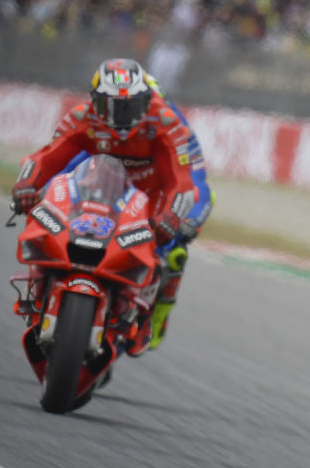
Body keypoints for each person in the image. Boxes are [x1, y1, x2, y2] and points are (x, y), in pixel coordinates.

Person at [11, 58, 213, 353]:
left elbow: (184, 182)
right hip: (104, 178)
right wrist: (26, 186)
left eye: (132, 105)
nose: (123, 116)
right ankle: (42, 280)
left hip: (152, 191)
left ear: (149, 99)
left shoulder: (168, 122)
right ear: (96, 102)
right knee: (50, 209)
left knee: (170, 245)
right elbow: (48, 157)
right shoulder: (85, 116)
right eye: (113, 107)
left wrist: (173, 217)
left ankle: (151, 316)